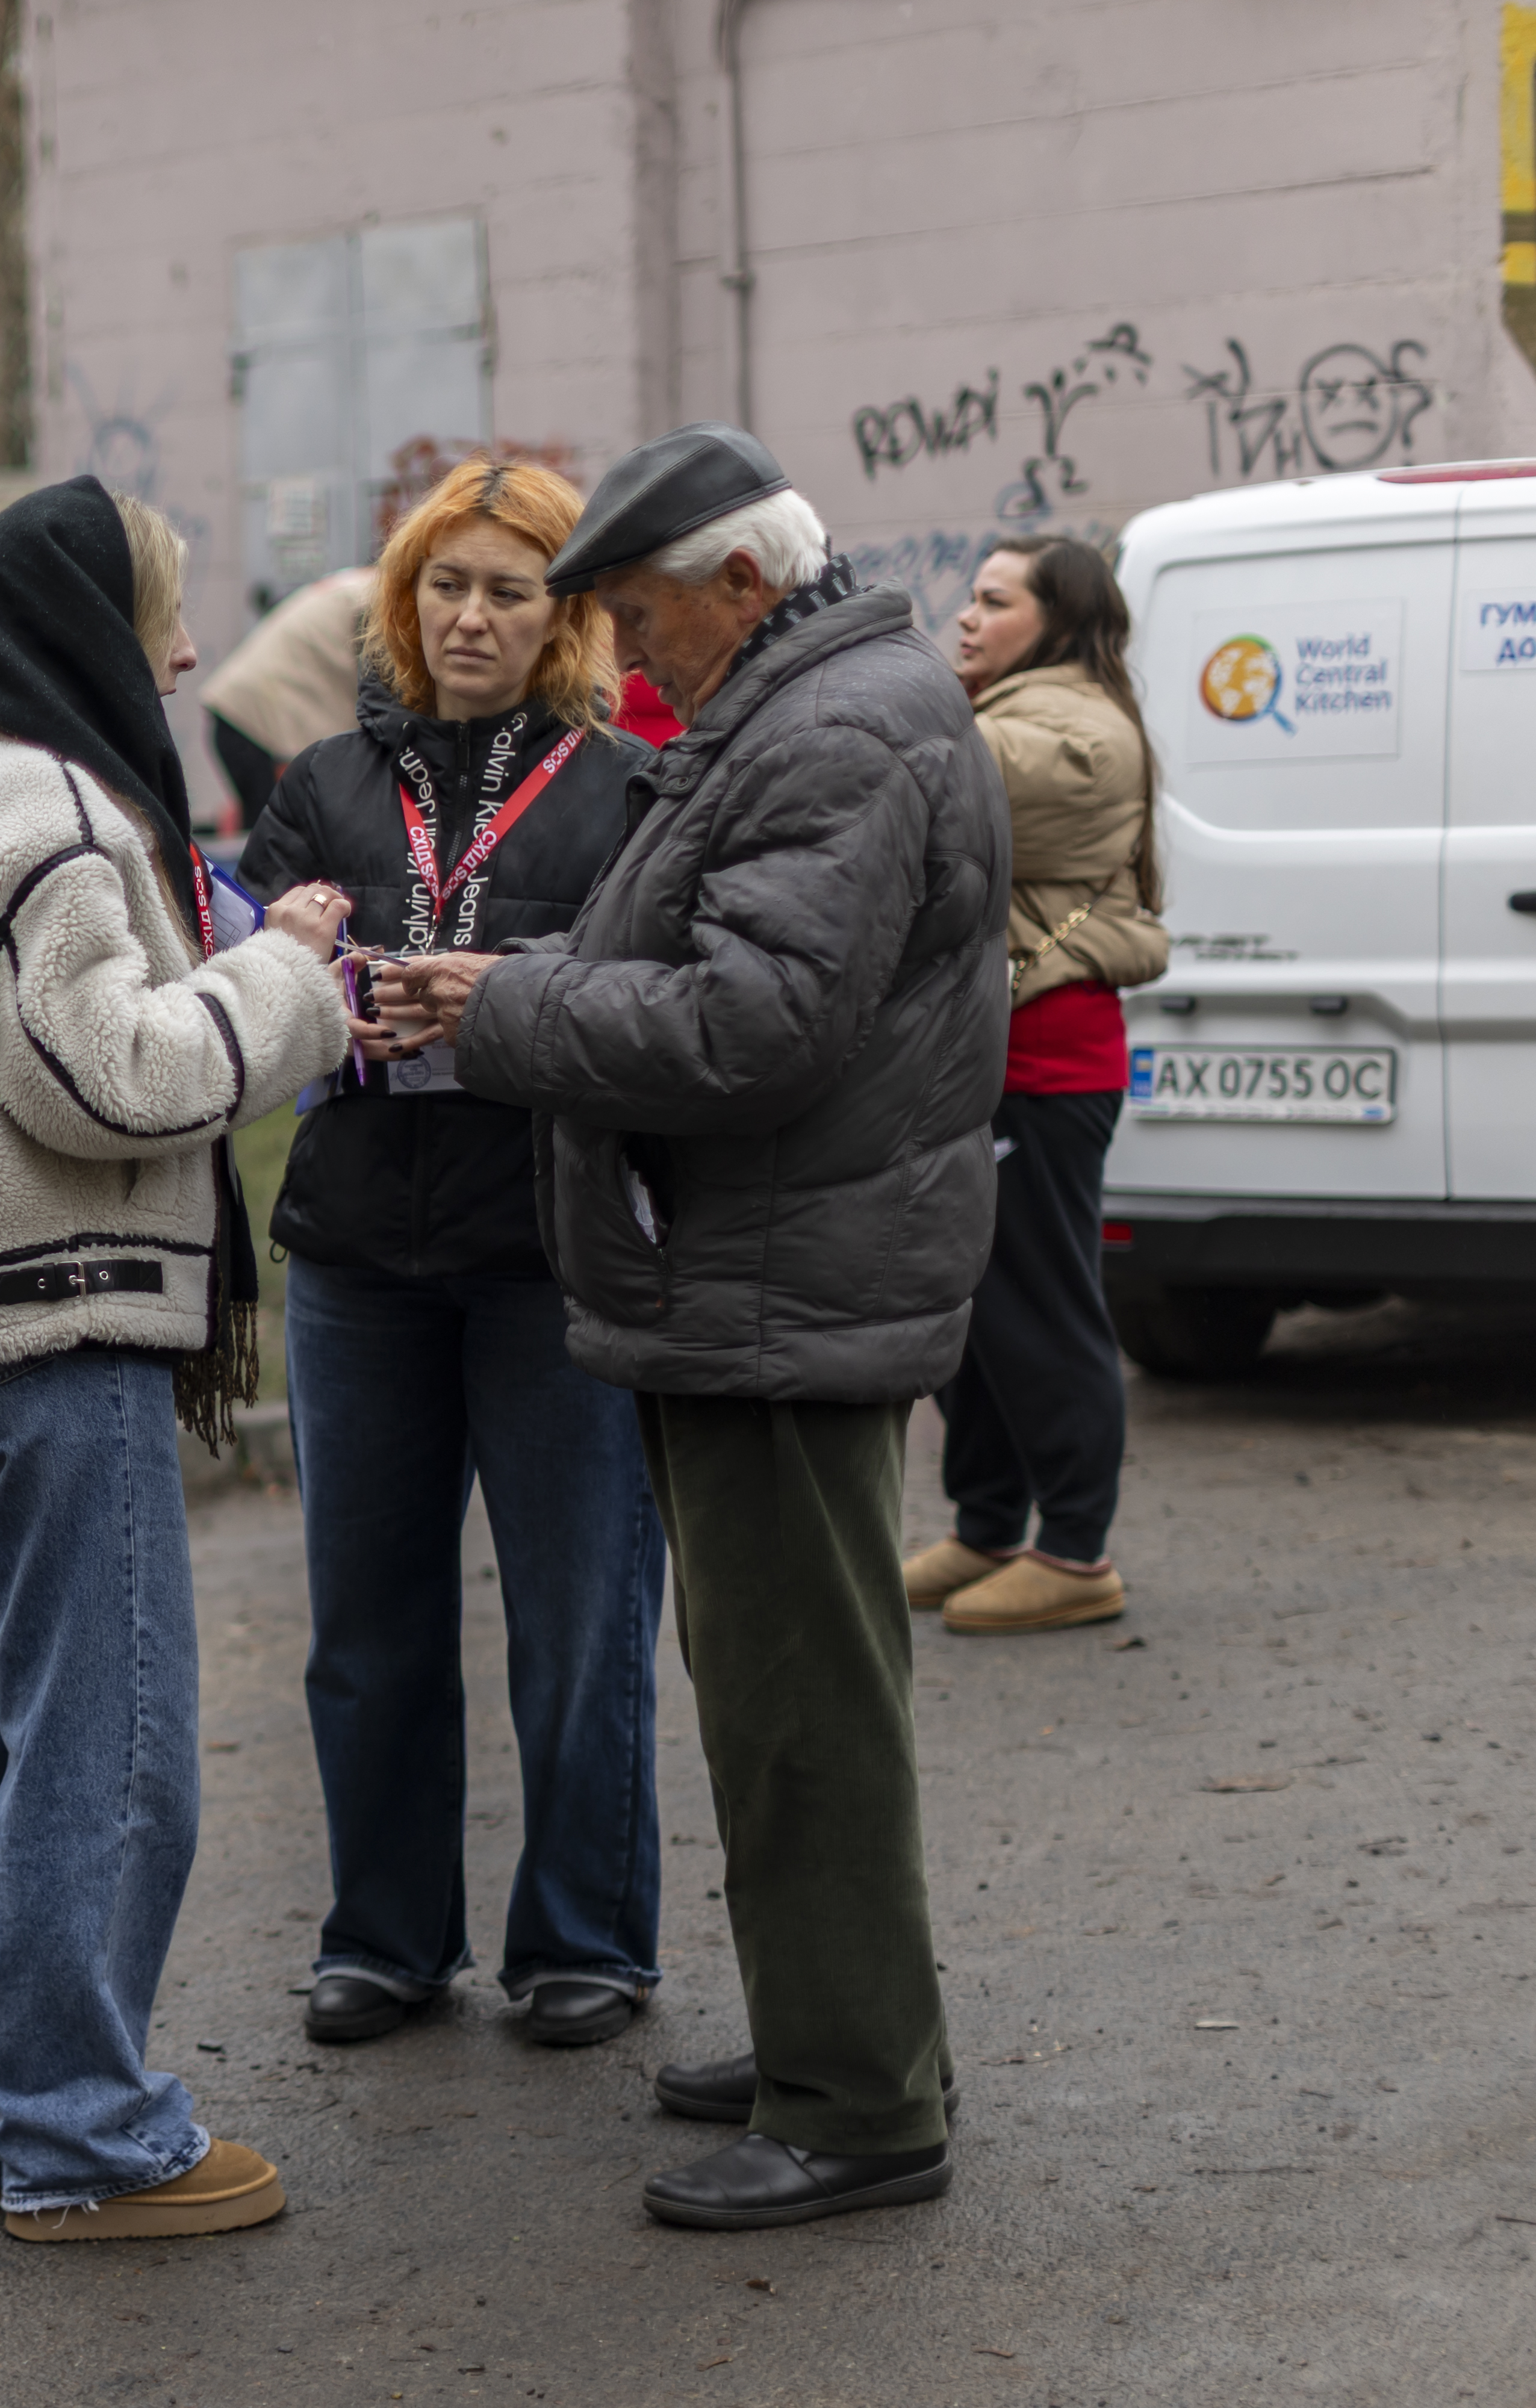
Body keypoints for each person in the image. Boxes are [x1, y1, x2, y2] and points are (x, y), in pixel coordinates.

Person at [373, 423, 1007, 2230]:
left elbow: (744, 1029)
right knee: (788, 1695)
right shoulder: (815, 708)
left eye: (641, 617)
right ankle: (845, 2031)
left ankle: (859, 2105)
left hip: (775, 1283)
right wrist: (531, 987)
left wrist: (499, 1016)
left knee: (800, 1709)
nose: (628, 657)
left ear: (742, 582)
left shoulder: (829, 729)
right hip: (765, 1275)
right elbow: (703, 967)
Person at [0, 476, 362, 2242]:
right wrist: (283, 977)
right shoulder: (52, 811)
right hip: (52, 1310)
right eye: (158, 620)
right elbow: (105, 1070)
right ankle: (85, 2130)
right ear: (83, 636)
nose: (186, 653)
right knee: (107, 1741)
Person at [235, 457, 668, 2054]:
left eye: (506, 587)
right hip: (357, 1251)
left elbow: (660, 997)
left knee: (579, 1613)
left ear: (562, 615)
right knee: (369, 1621)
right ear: (402, 604)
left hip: (552, 1248)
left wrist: (503, 987)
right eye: (443, 585)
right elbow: (255, 983)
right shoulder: (327, 781)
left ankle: (584, 1942)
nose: (470, 615)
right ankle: (385, 1938)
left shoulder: (628, 787)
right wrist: (309, 987)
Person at [910, 539, 1169, 1639]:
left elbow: (935, 782)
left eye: (994, 601)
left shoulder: (1078, 734)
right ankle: (986, 1523)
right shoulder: (1006, 711)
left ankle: (1075, 1550)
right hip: (987, 1057)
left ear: (1060, 621)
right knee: (969, 1309)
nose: (966, 619)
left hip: (1044, 1061)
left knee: (1039, 1305)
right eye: (967, 598)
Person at [199, 565, 375, 825]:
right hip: (256, 725)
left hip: (241, 713)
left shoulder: (354, 586)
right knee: (275, 836)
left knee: (264, 828)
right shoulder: (376, 598)